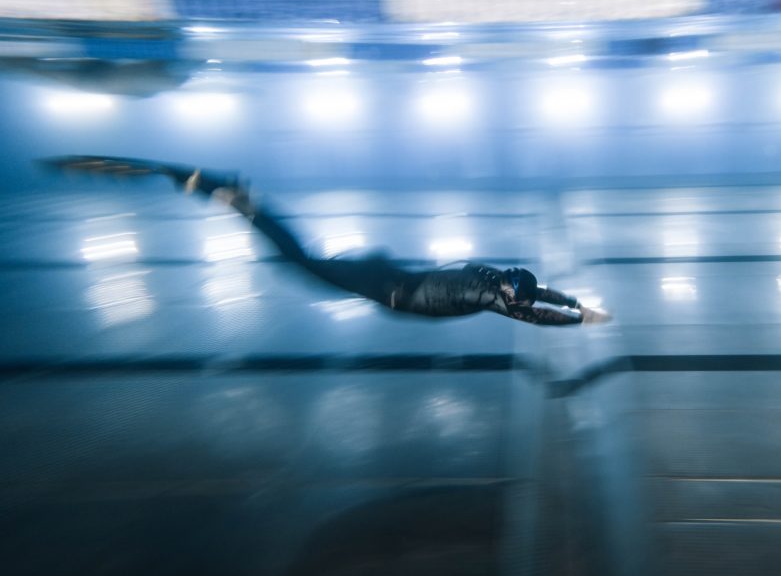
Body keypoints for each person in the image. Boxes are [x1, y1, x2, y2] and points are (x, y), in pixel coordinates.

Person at [42, 155, 612, 326]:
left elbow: (544, 297)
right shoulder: (497, 296)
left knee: (303, 260)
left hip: (388, 276)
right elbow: (541, 313)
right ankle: (236, 200)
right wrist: (581, 318)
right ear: (509, 291)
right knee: (300, 263)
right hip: (386, 287)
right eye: (513, 298)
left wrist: (577, 305)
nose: (513, 303)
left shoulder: (496, 277)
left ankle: (238, 200)